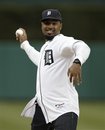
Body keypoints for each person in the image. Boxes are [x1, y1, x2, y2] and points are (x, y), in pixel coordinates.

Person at [16, 9, 90, 130]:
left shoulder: (62, 42)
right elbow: (39, 61)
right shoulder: (47, 46)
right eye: (47, 23)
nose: (50, 26)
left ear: (60, 25)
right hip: (44, 110)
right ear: (41, 25)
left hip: (64, 110)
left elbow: (82, 46)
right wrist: (25, 44)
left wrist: (77, 61)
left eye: (54, 23)